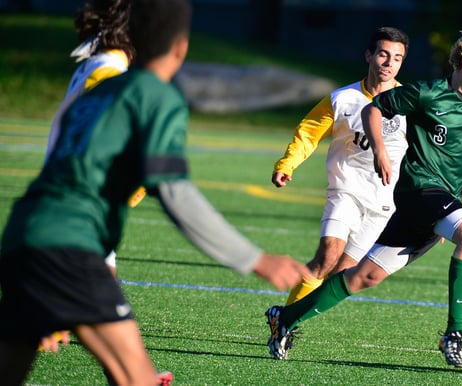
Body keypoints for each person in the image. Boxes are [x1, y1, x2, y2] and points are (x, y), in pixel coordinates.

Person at [0, 0, 310, 384]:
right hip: (69, 246)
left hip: (22, 234)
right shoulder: (154, 95)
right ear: (181, 45)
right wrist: (255, 259)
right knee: (138, 380)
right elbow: (174, 191)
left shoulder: (103, 86)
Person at [265, 27, 462, 369]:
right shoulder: (427, 93)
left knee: (363, 276)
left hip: (435, 205)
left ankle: (286, 317)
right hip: (419, 191)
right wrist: (381, 151)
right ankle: (454, 334)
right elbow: (374, 110)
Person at [268, 27, 409, 308]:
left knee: (341, 274)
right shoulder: (342, 98)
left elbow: (425, 157)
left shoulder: (411, 104)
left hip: (383, 203)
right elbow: (308, 133)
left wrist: (431, 212)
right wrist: (288, 164)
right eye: (383, 54)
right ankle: (285, 322)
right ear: (369, 55)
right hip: (345, 189)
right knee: (327, 257)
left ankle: (290, 318)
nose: (388, 62)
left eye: (397, 57)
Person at [38, 0, 136, 355]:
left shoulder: (97, 65)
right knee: (100, 301)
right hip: (78, 202)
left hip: (71, 200)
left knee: (104, 299)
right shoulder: (109, 72)